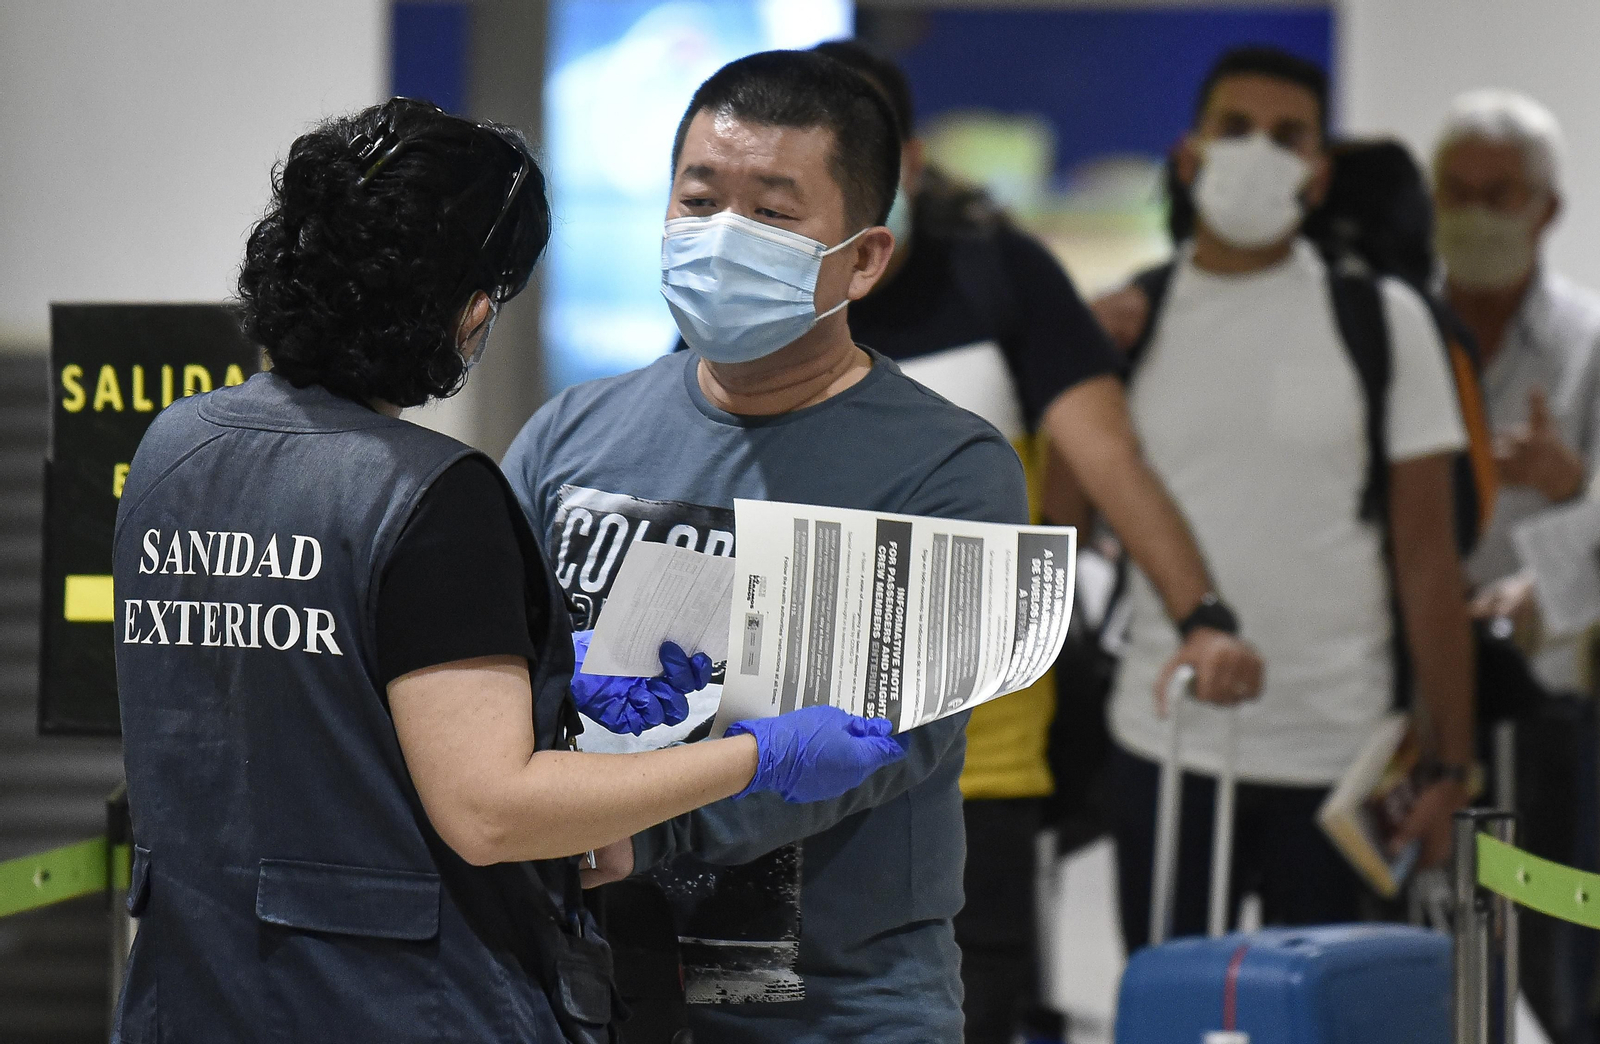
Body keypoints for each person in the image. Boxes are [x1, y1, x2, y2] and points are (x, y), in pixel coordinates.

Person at [109, 97, 904, 1044]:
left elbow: (308, 703)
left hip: (194, 994)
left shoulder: (173, 452)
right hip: (393, 1006)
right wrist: (758, 756)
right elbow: (491, 812)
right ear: (470, 308)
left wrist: (547, 688)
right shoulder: (428, 495)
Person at [503, 50, 1027, 1044]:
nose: (722, 238)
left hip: (831, 1008)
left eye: (773, 214)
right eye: (699, 202)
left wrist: (648, 824)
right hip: (580, 985)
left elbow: (888, 742)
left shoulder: (948, 469)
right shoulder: (570, 436)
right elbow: (491, 674)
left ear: (864, 258)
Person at [806, 39, 1262, 1044]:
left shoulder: (998, 272)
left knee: (962, 1014)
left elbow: (1109, 456)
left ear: (911, 161)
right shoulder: (763, 290)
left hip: (973, 761)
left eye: (862, 149)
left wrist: (1201, 611)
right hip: (781, 755)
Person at [1089, 47, 1475, 947]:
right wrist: (1083, 352)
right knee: (1176, 1004)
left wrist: (1451, 764)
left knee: (1330, 1008)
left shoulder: (1385, 320)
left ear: (1318, 172)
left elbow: (1427, 555)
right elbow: (1069, 516)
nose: (1259, 151)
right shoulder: (1130, 321)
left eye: (1288, 135)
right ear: (1190, 154)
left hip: (1342, 755)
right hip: (1167, 742)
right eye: (1236, 128)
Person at [1433, 88, 1600, 1044]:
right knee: (1416, 946)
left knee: (1555, 952)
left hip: (1546, 701)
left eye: (1500, 195)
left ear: (1549, 209)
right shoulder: (1398, 327)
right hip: (1413, 692)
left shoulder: (1587, 342)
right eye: (1456, 192)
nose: (1476, 216)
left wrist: (1574, 480)